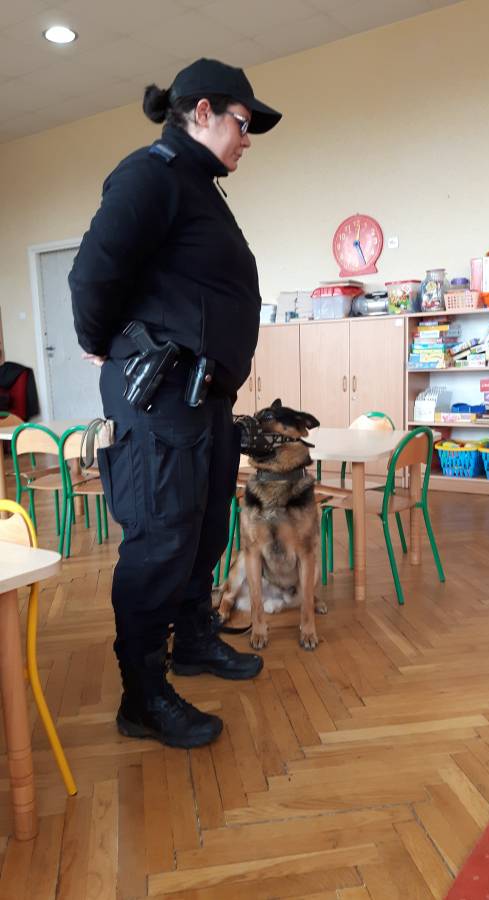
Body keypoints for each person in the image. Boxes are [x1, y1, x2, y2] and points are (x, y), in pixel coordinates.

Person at [69, 58, 282, 749]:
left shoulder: (199, 187)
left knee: (203, 532)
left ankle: (191, 641)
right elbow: (92, 272)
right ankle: (142, 696)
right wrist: (102, 344)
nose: (247, 140)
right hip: (160, 397)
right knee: (160, 542)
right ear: (202, 112)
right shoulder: (150, 175)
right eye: (243, 124)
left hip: (204, 399)